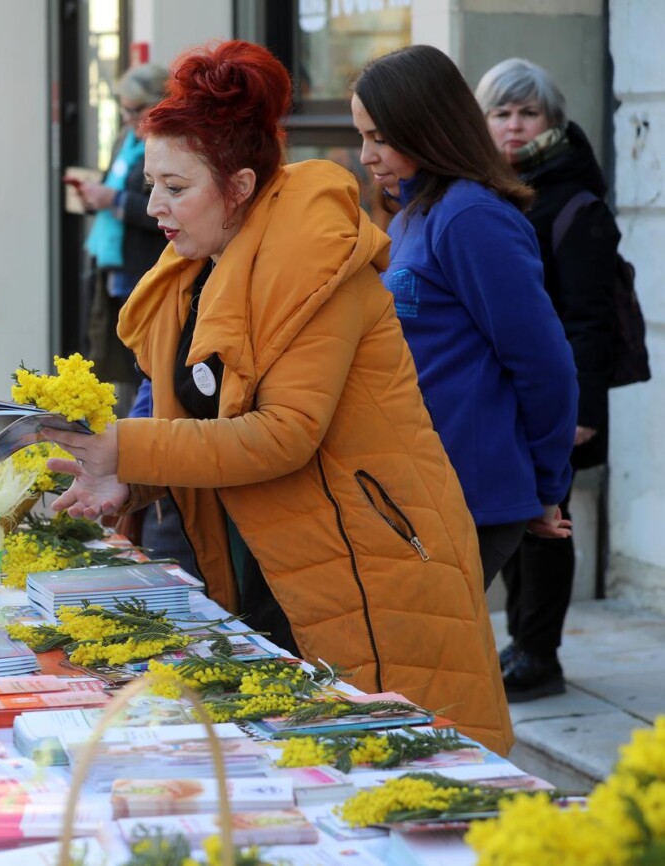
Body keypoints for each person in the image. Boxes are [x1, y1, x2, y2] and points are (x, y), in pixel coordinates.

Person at [39, 40, 513, 755]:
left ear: (240, 184)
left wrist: (125, 448)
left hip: (367, 562)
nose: (154, 207)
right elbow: (199, 426)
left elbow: (282, 432)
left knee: (405, 774)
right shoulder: (193, 269)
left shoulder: (316, 258)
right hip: (261, 567)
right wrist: (127, 482)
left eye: (175, 186)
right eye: (149, 185)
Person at [351, 45, 578, 590]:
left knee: (433, 667)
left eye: (380, 137)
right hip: (419, 485)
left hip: (470, 493)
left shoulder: (471, 216)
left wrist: (546, 488)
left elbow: (544, 365)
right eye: (362, 136)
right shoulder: (414, 214)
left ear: (428, 128)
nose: (365, 155)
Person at [476, 58, 619, 701]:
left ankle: (541, 654)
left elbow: (593, 319)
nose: (513, 125)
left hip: (562, 391)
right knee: (517, 515)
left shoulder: (573, 199)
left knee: (548, 523)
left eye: (527, 113)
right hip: (514, 391)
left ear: (552, 122)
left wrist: (583, 407)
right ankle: (523, 644)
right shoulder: (497, 187)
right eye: (501, 112)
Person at [76, 63, 170, 409]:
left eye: (135, 109)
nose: (128, 116)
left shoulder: (167, 145)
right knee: (118, 352)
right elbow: (112, 184)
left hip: (145, 263)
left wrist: (114, 200)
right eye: (123, 108)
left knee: (146, 357)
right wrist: (94, 195)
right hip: (113, 263)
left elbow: (163, 208)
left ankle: (138, 430)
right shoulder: (125, 138)